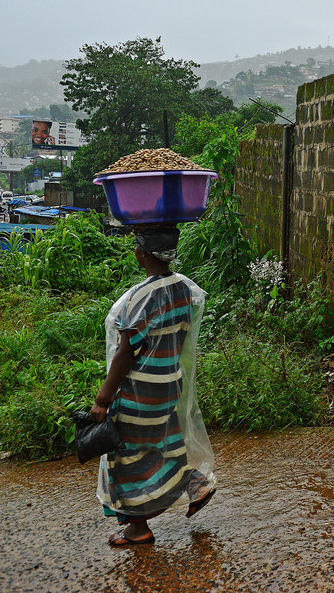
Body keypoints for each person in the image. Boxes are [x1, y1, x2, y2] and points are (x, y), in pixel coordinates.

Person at [90, 225, 216, 547]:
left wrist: (103, 399)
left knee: (124, 453)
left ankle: (137, 528)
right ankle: (195, 482)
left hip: (139, 391)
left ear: (141, 254)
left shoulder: (139, 296)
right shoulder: (184, 289)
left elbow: (125, 352)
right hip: (168, 385)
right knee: (163, 444)